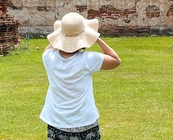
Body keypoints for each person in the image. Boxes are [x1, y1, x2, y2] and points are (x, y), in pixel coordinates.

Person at [40, 12, 121, 140]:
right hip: (85, 122)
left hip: (57, 122)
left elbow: (49, 48)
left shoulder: (48, 58)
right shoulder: (88, 59)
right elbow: (115, 60)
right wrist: (96, 38)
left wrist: (61, 35)